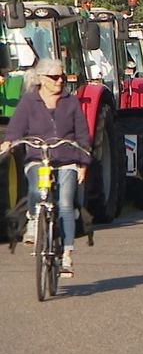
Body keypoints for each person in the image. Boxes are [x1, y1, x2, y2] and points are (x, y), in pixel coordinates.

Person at [0, 58, 91, 278]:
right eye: (54, 77)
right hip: (38, 158)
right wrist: (8, 142)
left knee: (66, 204)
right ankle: (33, 220)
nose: (60, 81)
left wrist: (83, 162)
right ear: (41, 78)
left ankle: (67, 253)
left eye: (61, 76)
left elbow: (82, 134)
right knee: (34, 190)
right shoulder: (29, 102)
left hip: (66, 159)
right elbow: (16, 128)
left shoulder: (70, 102)